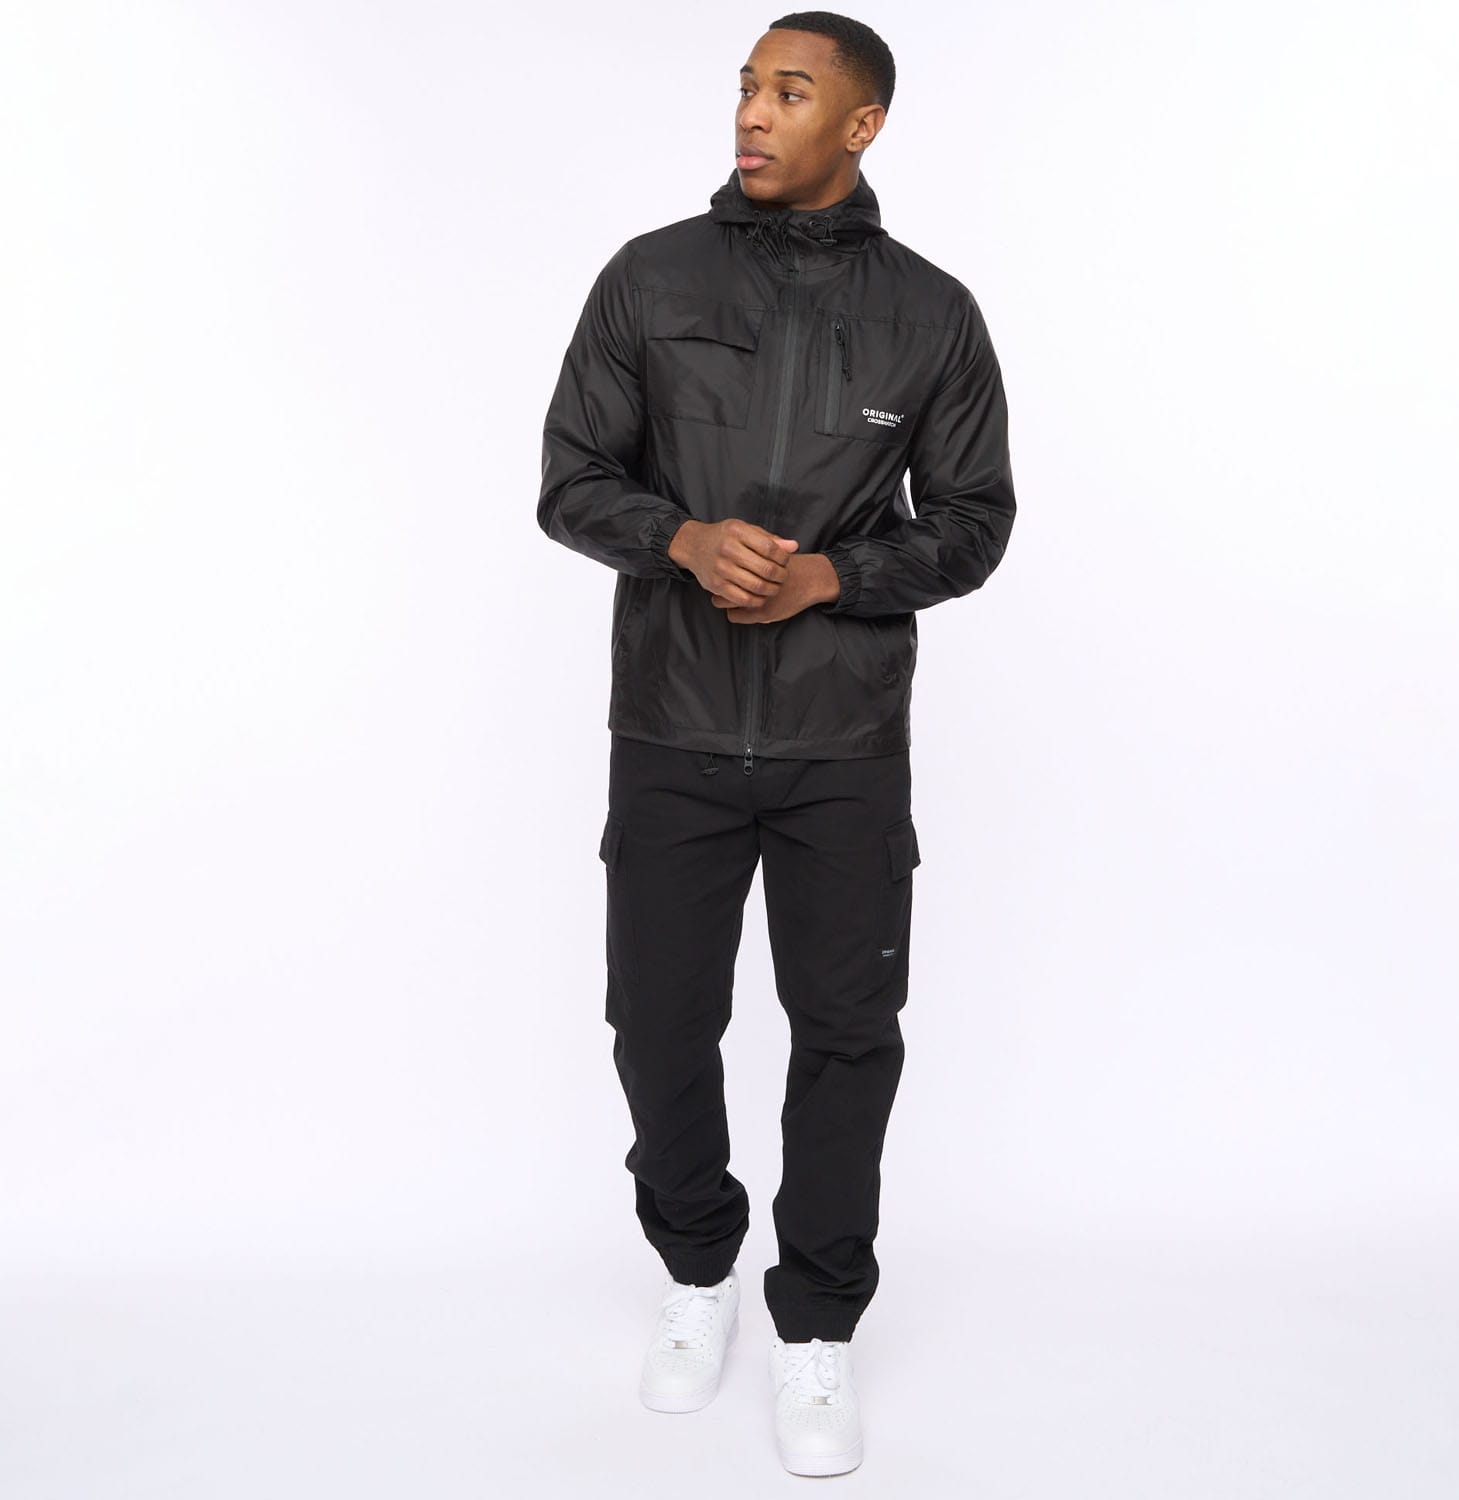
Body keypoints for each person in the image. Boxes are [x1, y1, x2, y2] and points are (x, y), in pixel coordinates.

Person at [537, 11, 1016, 1477]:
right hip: (671, 725)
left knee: (848, 1034)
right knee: (657, 1021)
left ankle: (816, 1324)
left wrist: (834, 577)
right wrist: (680, 539)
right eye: (747, 86)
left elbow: (976, 523)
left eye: (790, 92)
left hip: (842, 744)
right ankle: (697, 1269)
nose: (753, 112)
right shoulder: (649, 278)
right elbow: (570, 479)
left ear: (860, 126)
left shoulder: (933, 314)